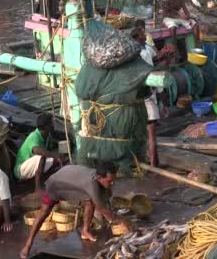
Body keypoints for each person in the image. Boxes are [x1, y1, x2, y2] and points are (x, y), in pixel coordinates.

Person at [19, 162, 125, 258]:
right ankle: (27, 245)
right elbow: (103, 210)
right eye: (110, 181)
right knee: (44, 213)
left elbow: (103, 199)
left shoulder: (97, 176)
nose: (112, 183)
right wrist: (121, 221)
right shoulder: (91, 184)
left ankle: (85, 231)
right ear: (99, 177)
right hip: (55, 184)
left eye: (113, 180)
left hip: (69, 179)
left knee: (90, 200)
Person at [131, 27, 165, 167]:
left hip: (143, 94)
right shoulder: (137, 52)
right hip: (146, 95)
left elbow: (155, 59)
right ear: (137, 36)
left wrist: (163, 56)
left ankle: (145, 161)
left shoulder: (145, 48)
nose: (145, 34)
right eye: (142, 33)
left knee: (144, 132)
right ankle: (153, 164)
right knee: (151, 132)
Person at [14, 114, 64, 192]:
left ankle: (43, 179)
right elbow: (36, 150)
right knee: (41, 156)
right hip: (21, 170)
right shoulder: (34, 136)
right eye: (51, 123)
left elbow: (51, 149)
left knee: (55, 159)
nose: (53, 125)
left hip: (34, 166)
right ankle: (38, 188)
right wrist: (54, 155)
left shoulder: (47, 136)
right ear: (46, 126)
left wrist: (58, 156)